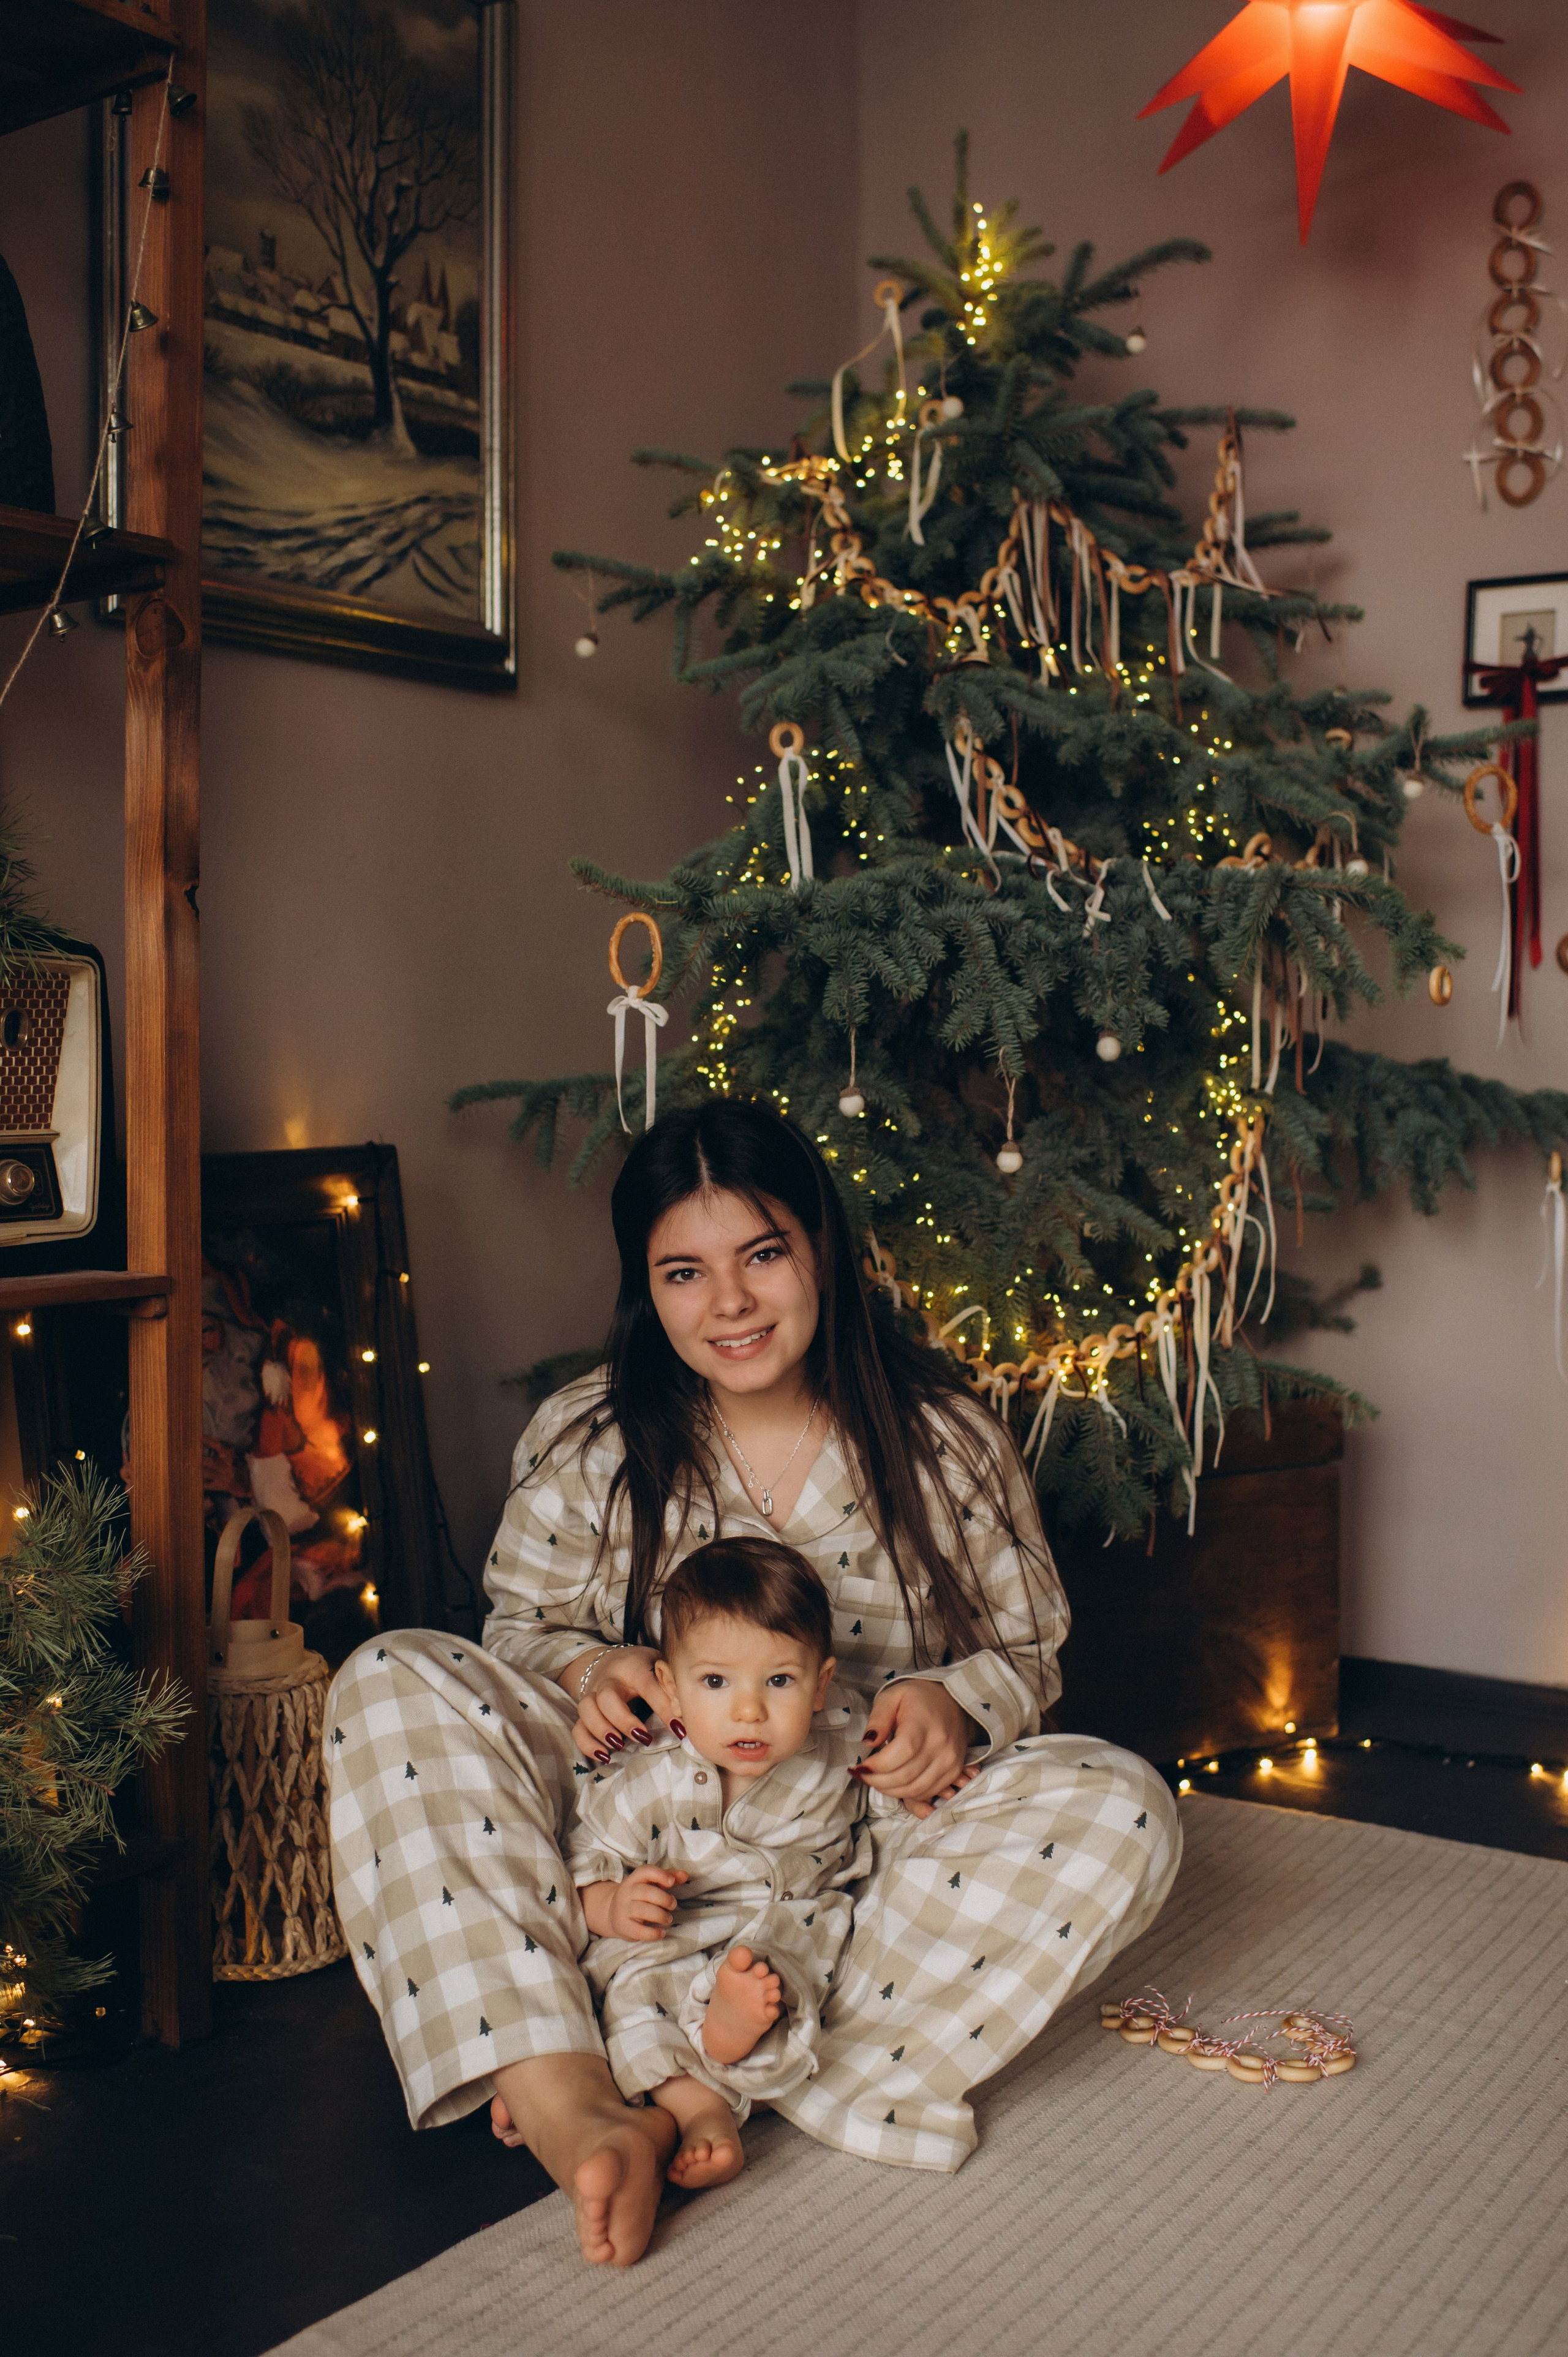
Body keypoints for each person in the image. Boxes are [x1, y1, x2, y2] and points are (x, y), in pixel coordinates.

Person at [325, 1098, 1181, 2270]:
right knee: (390, 1677)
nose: (728, 1301)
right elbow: (519, 1626)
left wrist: (956, 1704)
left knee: (1124, 1804)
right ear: (646, 1286)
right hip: (637, 1839)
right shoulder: (589, 1437)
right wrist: (590, 1664)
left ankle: (681, 2068)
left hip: (849, 1853)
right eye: (685, 1271)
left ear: (820, 1246)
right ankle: (570, 2087)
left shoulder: (942, 1441)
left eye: (763, 1254)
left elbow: (1027, 1649)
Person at [561, 1533, 886, 2193]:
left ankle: (726, 2041)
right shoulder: (648, 1772)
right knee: (630, 1992)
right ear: (671, 1689)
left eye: (779, 1680)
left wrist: (929, 1783)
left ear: (821, 1684)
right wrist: (614, 1905)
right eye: (714, 1681)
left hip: (787, 1918)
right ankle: (701, 2110)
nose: (749, 1710)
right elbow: (588, 1855)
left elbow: (897, 1778)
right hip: (676, 1931)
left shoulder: (846, 1734)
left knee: (794, 1972)